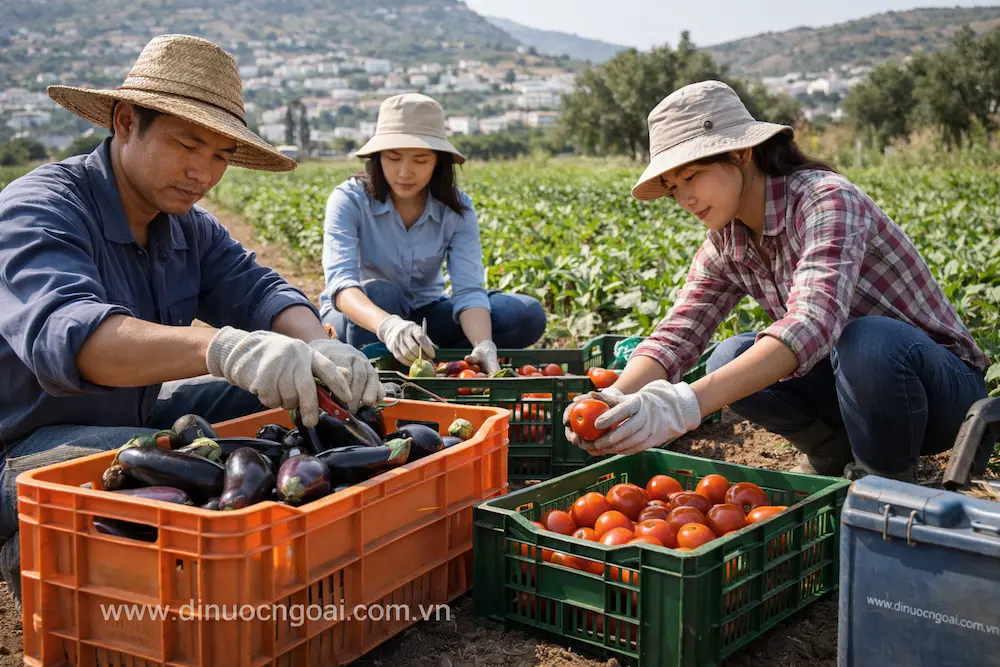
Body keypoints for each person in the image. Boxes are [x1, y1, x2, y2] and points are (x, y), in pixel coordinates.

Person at [0, 34, 383, 611]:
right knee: (184, 461)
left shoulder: (184, 226)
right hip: (21, 449)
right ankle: (29, 546)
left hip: (127, 415)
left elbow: (257, 288)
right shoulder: (40, 208)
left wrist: (315, 344)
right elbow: (77, 339)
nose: (203, 171)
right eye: (188, 144)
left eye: (222, 156)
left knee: (277, 405)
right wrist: (222, 346)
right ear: (127, 122)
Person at [564, 80, 990, 483]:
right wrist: (613, 400)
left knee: (867, 340)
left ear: (741, 154)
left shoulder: (825, 199)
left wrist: (684, 405)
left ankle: (886, 481)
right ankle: (833, 451)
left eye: (691, 176)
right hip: (850, 392)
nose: (683, 199)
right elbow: (679, 333)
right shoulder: (726, 242)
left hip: (939, 394)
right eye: (673, 187)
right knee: (727, 356)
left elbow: (813, 322)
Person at [318, 93, 547, 374]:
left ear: (438, 162)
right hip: (361, 318)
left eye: (421, 160)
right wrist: (388, 325)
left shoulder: (456, 209)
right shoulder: (350, 200)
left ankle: (446, 364)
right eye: (393, 157)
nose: (404, 171)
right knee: (380, 291)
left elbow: (468, 290)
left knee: (524, 314)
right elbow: (341, 286)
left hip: (426, 313)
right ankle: (376, 373)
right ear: (378, 157)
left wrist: (484, 342)